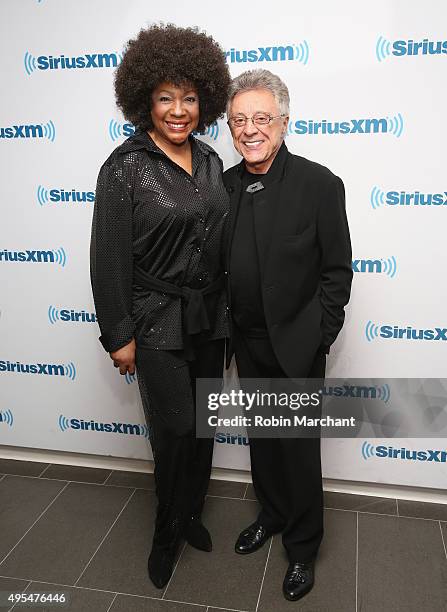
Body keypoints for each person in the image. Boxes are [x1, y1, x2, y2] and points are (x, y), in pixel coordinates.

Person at [90, 24, 230, 589]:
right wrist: (118, 334)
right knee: (173, 433)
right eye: (166, 97)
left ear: (205, 101)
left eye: (190, 98)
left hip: (210, 319)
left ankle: (192, 512)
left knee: (203, 428)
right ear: (144, 98)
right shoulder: (125, 165)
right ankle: (165, 535)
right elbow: (109, 258)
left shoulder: (213, 159)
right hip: (153, 320)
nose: (179, 110)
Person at [223, 69, 352, 601]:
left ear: (283, 122)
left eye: (261, 118)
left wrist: (319, 334)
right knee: (263, 442)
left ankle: (302, 547)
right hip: (246, 342)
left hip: (298, 346)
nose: (250, 130)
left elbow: (336, 271)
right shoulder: (224, 185)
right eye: (239, 121)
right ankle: (272, 516)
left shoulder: (320, 183)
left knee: (298, 450)